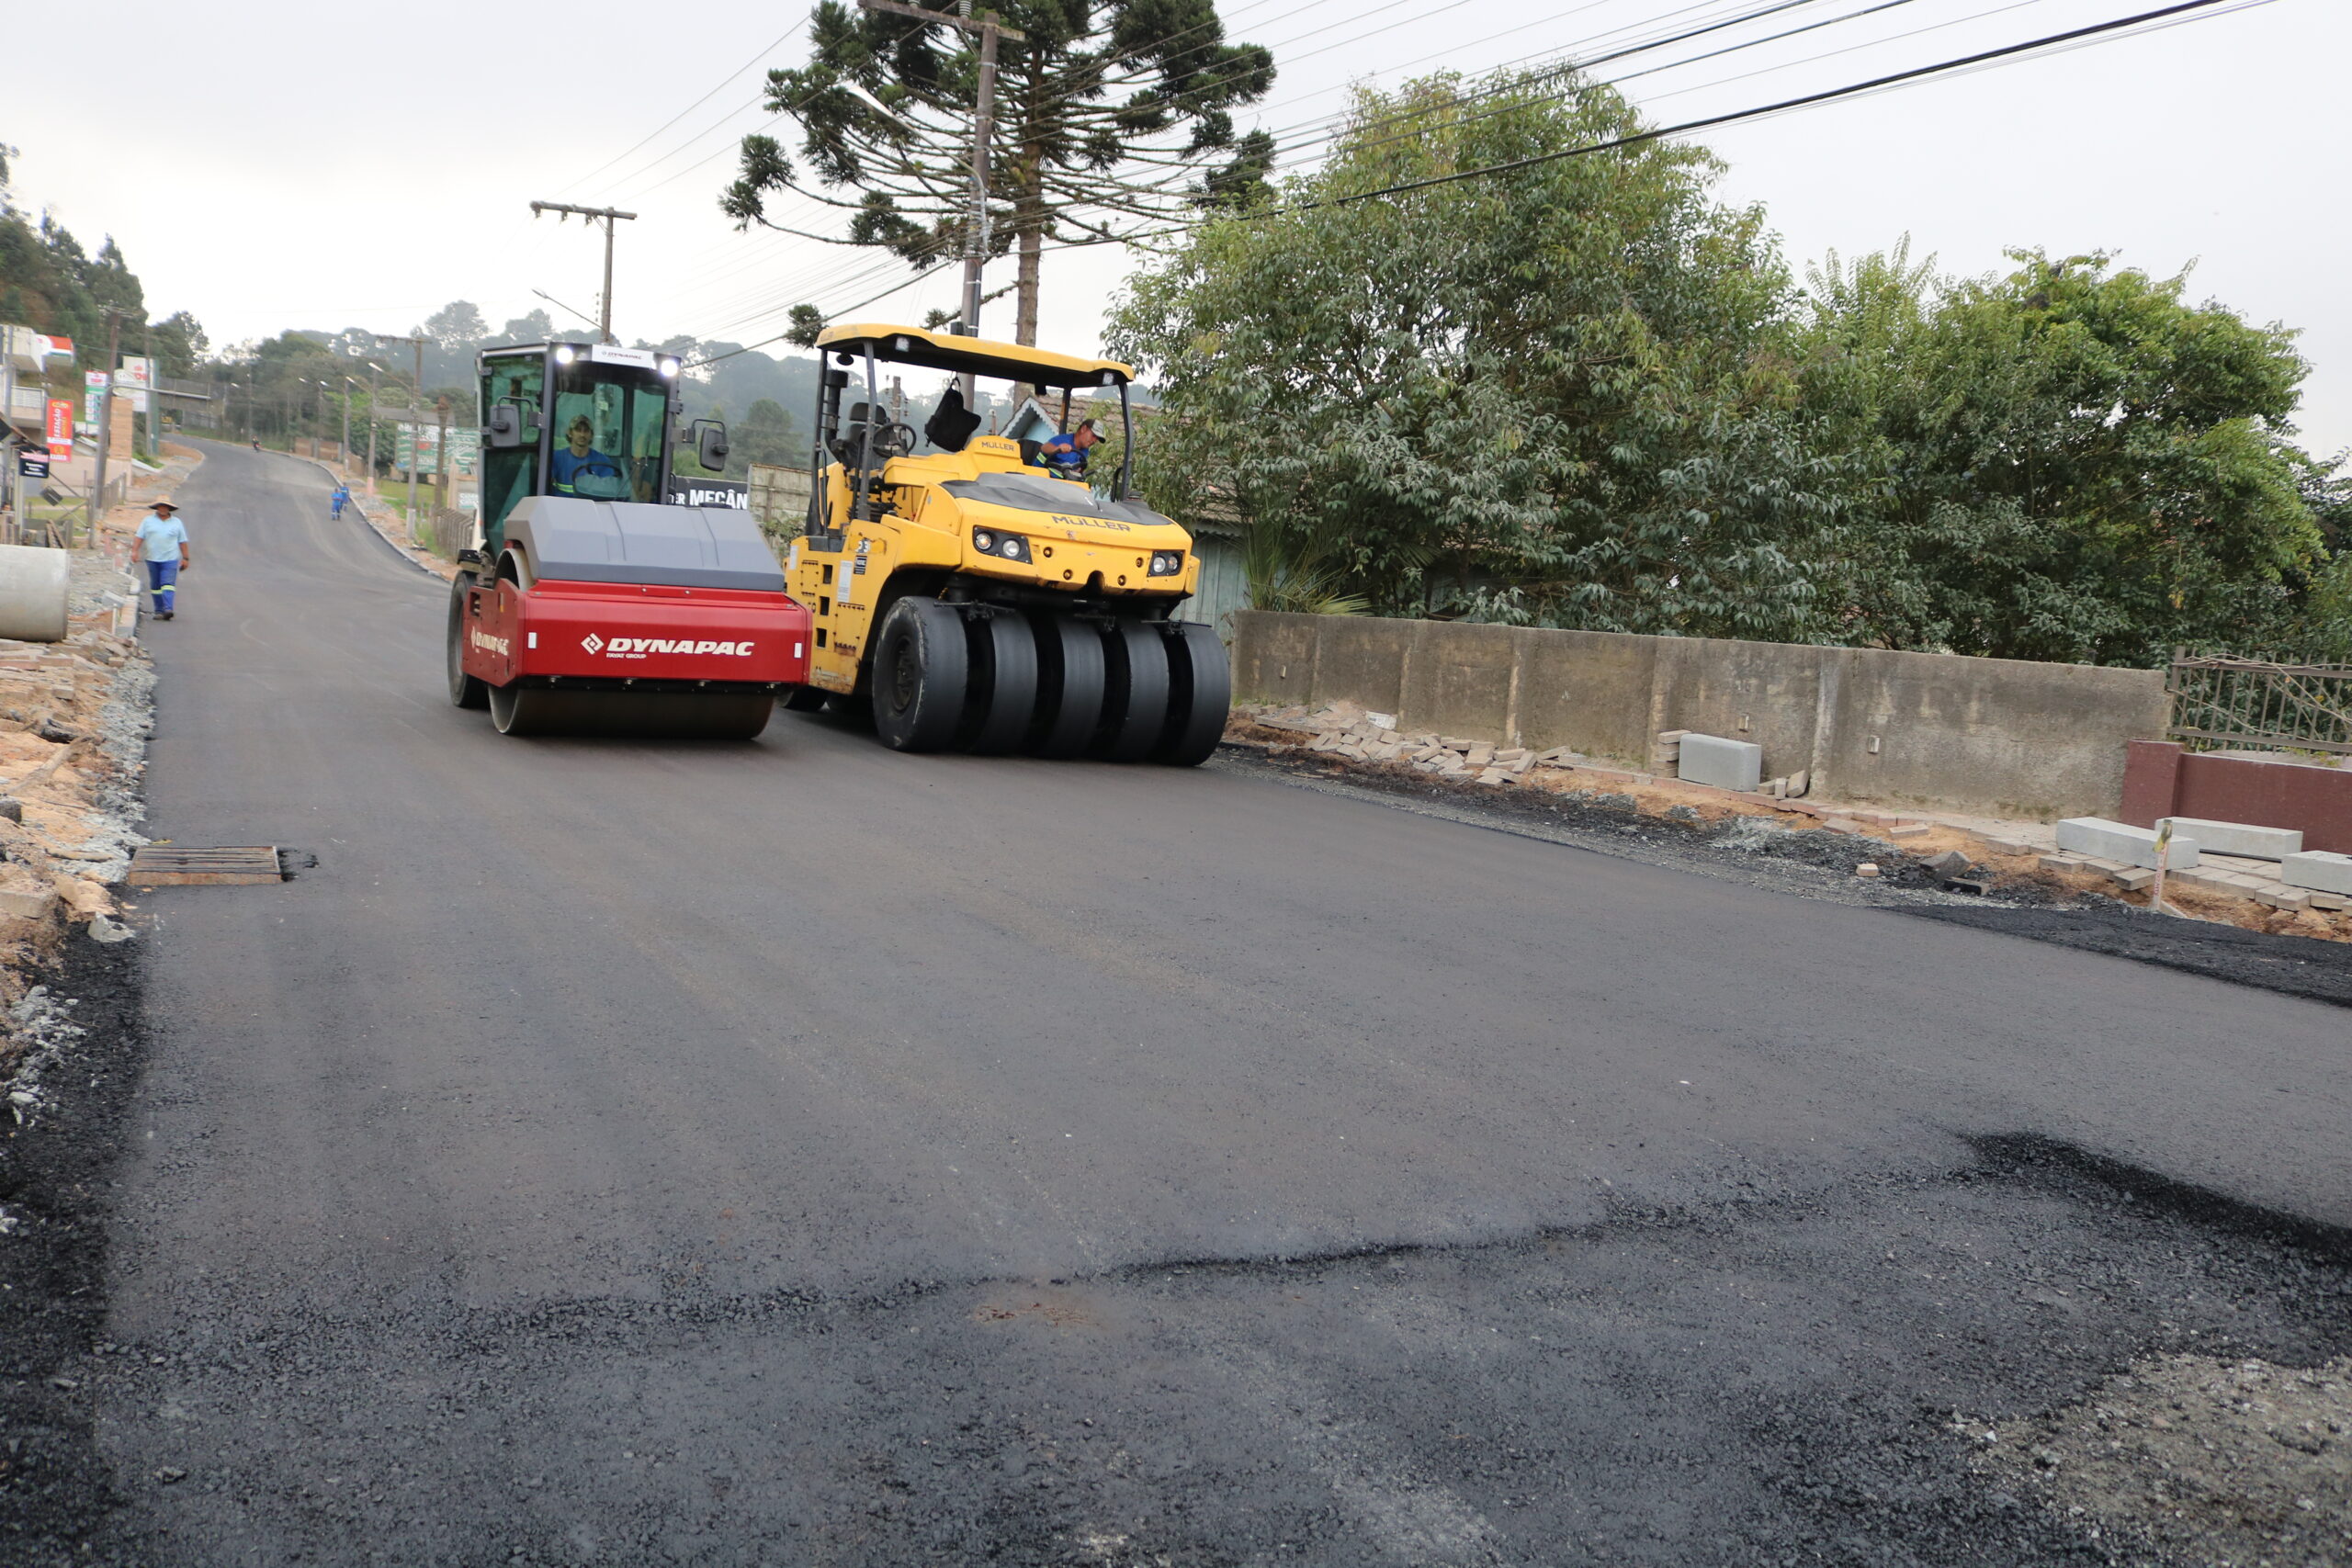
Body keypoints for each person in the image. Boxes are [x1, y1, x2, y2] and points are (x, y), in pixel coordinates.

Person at [136, 498, 191, 621]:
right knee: (156, 586)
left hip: (170, 559)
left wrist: (186, 558)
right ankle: (159, 610)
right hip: (152, 558)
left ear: (169, 508)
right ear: (157, 507)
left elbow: (182, 541)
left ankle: (168, 609)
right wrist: (134, 551)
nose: (163, 508)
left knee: (168, 584)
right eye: (161, 506)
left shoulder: (177, 522)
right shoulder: (148, 521)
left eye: (165, 506)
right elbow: (139, 537)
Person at [548, 415, 628, 497]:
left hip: (591, 507)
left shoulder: (602, 460)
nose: (582, 434)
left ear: (591, 435)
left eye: (586, 431)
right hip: (560, 506)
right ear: (570, 433)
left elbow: (608, 491)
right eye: (578, 430)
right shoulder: (556, 457)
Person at [1037, 418, 1102, 474]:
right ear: (1083, 429)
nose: (1094, 440)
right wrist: (1057, 448)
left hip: (1061, 484)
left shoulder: (1085, 451)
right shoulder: (1063, 440)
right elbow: (1044, 447)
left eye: (1097, 438)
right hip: (1039, 478)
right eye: (1093, 436)